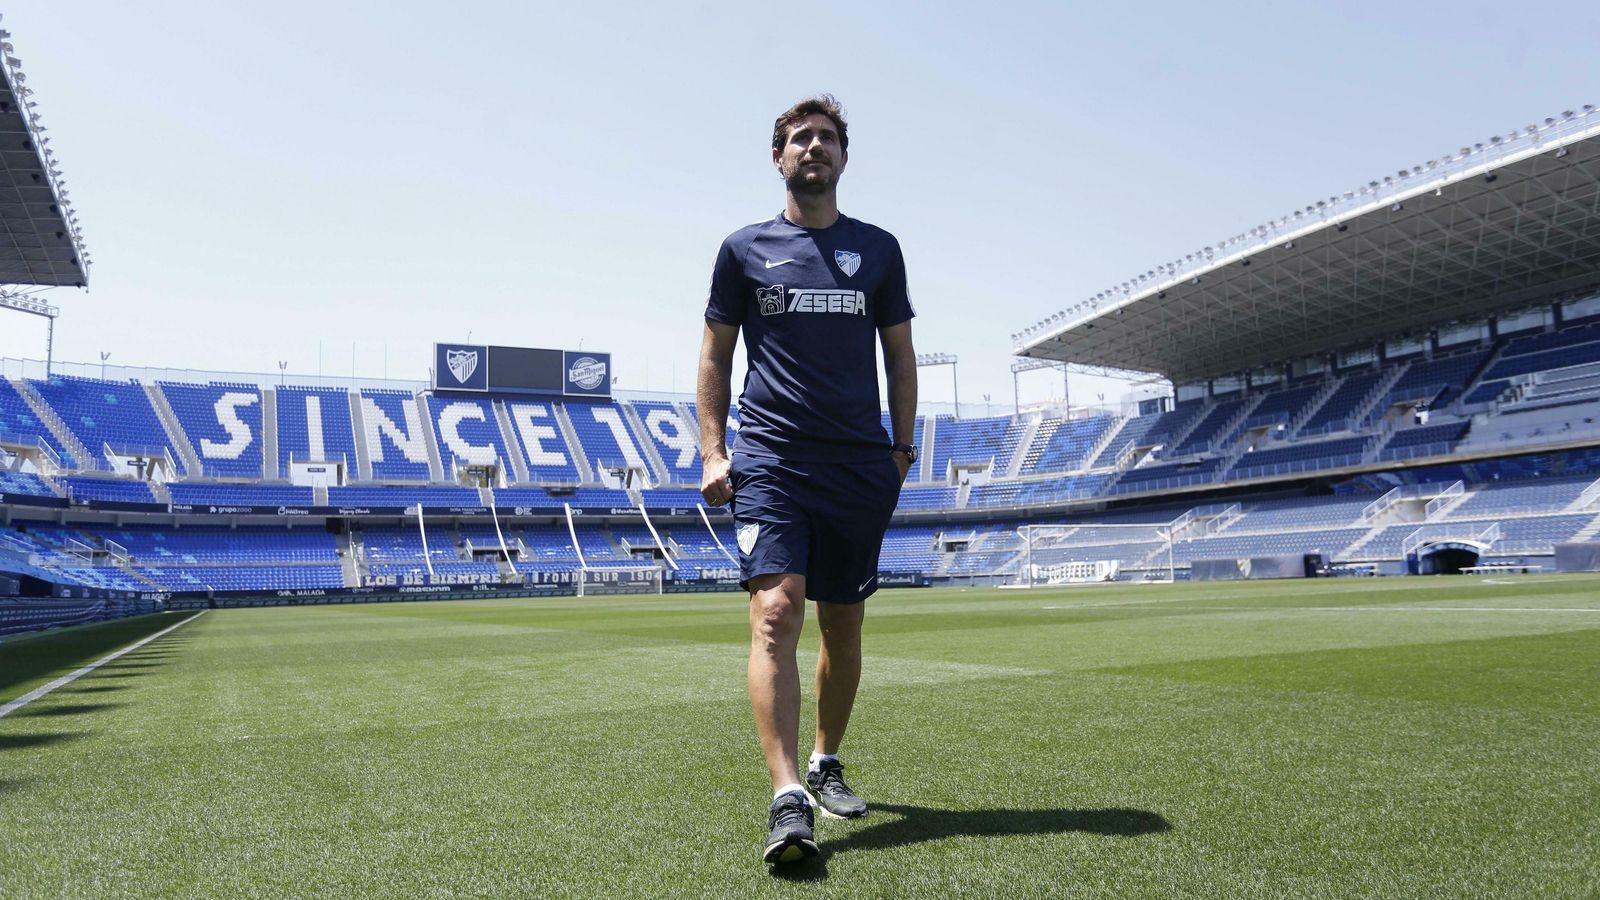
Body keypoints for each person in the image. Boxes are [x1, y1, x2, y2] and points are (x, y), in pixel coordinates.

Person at [697, 94, 918, 866]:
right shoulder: (742, 249)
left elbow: (900, 357)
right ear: (778, 157)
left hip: (859, 463)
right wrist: (713, 451)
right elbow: (715, 356)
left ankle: (826, 761)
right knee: (774, 615)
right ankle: (788, 794)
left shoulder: (880, 250)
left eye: (826, 137)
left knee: (844, 622)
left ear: (844, 158)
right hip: (772, 460)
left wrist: (902, 452)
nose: (813, 147)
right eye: (799, 138)